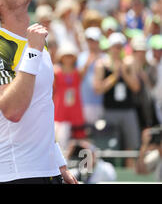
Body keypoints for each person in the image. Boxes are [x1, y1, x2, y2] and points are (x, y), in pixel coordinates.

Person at [0, 0, 77, 183]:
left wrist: (59, 163)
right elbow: (13, 110)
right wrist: (33, 51)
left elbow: (42, 109)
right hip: (17, 175)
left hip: (48, 172)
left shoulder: (36, 43)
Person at [93, 32, 141, 166]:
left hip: (128, 111)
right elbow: (98, 89)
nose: (117, 50)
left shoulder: (129, 64)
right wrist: (114, 76)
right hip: (110, 111)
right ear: (110, 47)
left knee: (130, 147)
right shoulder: (102, 64)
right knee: (110, 147)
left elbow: (136, 87)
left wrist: (124, 73)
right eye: (115, 46)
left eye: (120, 47)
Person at [53, 43, 86, 150]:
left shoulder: (78, 72)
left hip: (75, 110)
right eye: (66, 56)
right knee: (60, 141)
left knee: (78, 140)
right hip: (60, 110)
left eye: (70, 56)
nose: (68, 58)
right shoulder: (56, 72)